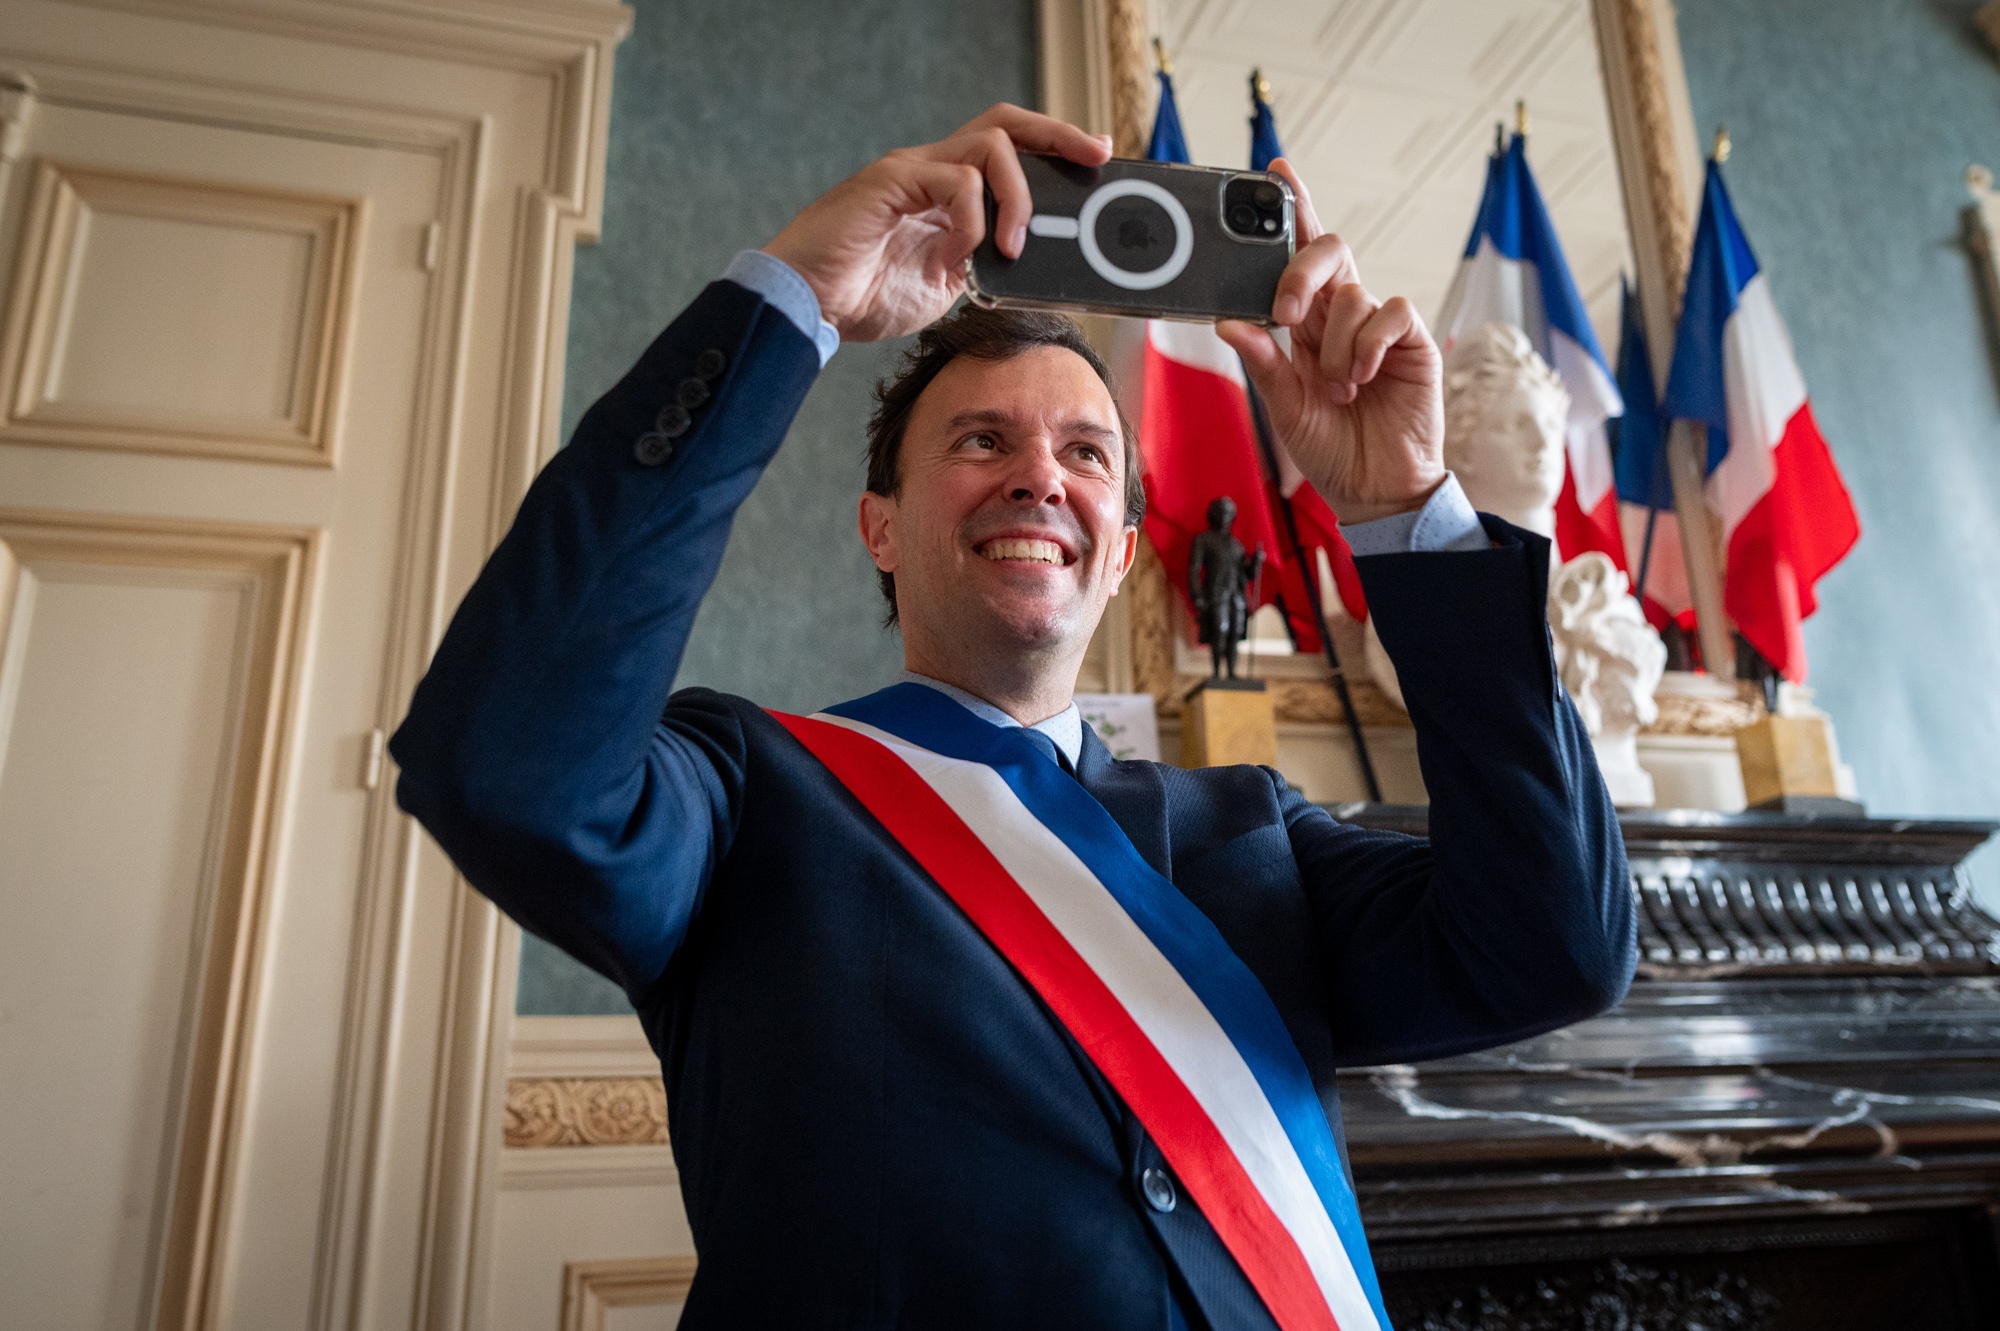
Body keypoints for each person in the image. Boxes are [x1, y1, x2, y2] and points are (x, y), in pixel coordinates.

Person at [392, 104, 1634, 1331]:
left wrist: (1404, 507)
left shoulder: (1253, 827)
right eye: (982, 439)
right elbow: (505, 765)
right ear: (879, 526)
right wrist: (791, 304)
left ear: (1125, 555)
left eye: (1088, 453)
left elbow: (1557, 944)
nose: (1040, 473)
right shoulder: (743, 790)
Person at [1188, 496, 1265, 680]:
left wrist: (1255, 563)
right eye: (1221, 512)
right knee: (1219, 630)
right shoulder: (1203, 540)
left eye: (1228, 513)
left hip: (1235, 596)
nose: (1224, 516)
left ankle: (1231, 673)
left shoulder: (1236, 545)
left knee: (1234, 633)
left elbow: (1245, 575)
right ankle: (1216, 673)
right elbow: (1194, 569)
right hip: (1216, 594)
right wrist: (1197, 595)